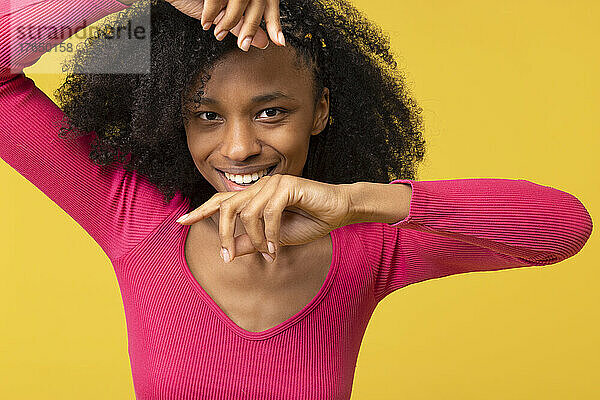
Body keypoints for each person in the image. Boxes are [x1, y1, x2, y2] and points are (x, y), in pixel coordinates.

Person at [0, 0, 593, 398]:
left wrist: (360, 202)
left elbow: (565, 227)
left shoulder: (369, 243)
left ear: (322, 111)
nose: (238, 147)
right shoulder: (132, 215)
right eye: (206, 116)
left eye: (271, 112)